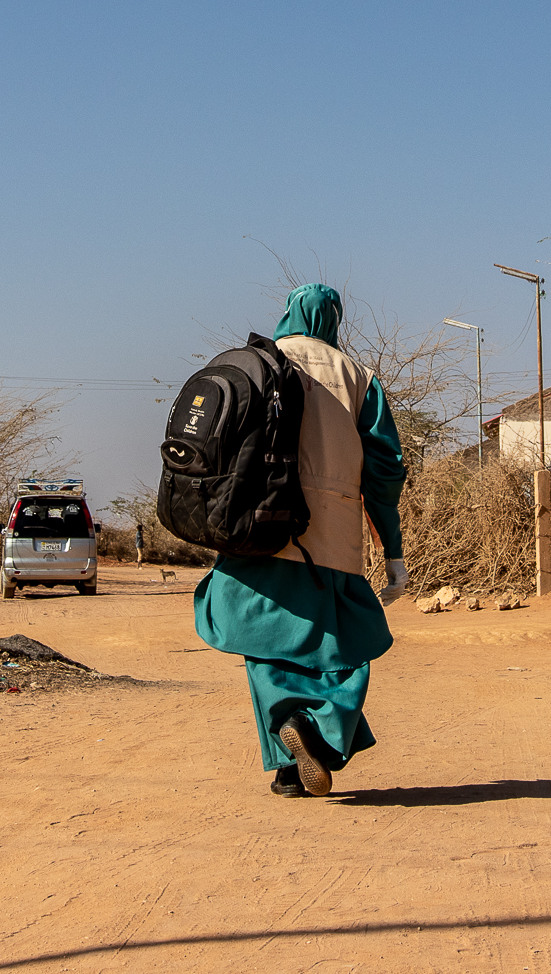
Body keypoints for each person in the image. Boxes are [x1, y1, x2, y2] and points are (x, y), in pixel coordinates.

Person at [192, 283, 408, 798]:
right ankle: (318, 729)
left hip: (255, 533)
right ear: (334, 320)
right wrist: (392, 551)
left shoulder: (256, 362)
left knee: (266, 647)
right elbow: (384, 474)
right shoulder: (359, 379)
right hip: (331, 540)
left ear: (288, 314)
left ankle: (289, 766)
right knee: (342, 646)